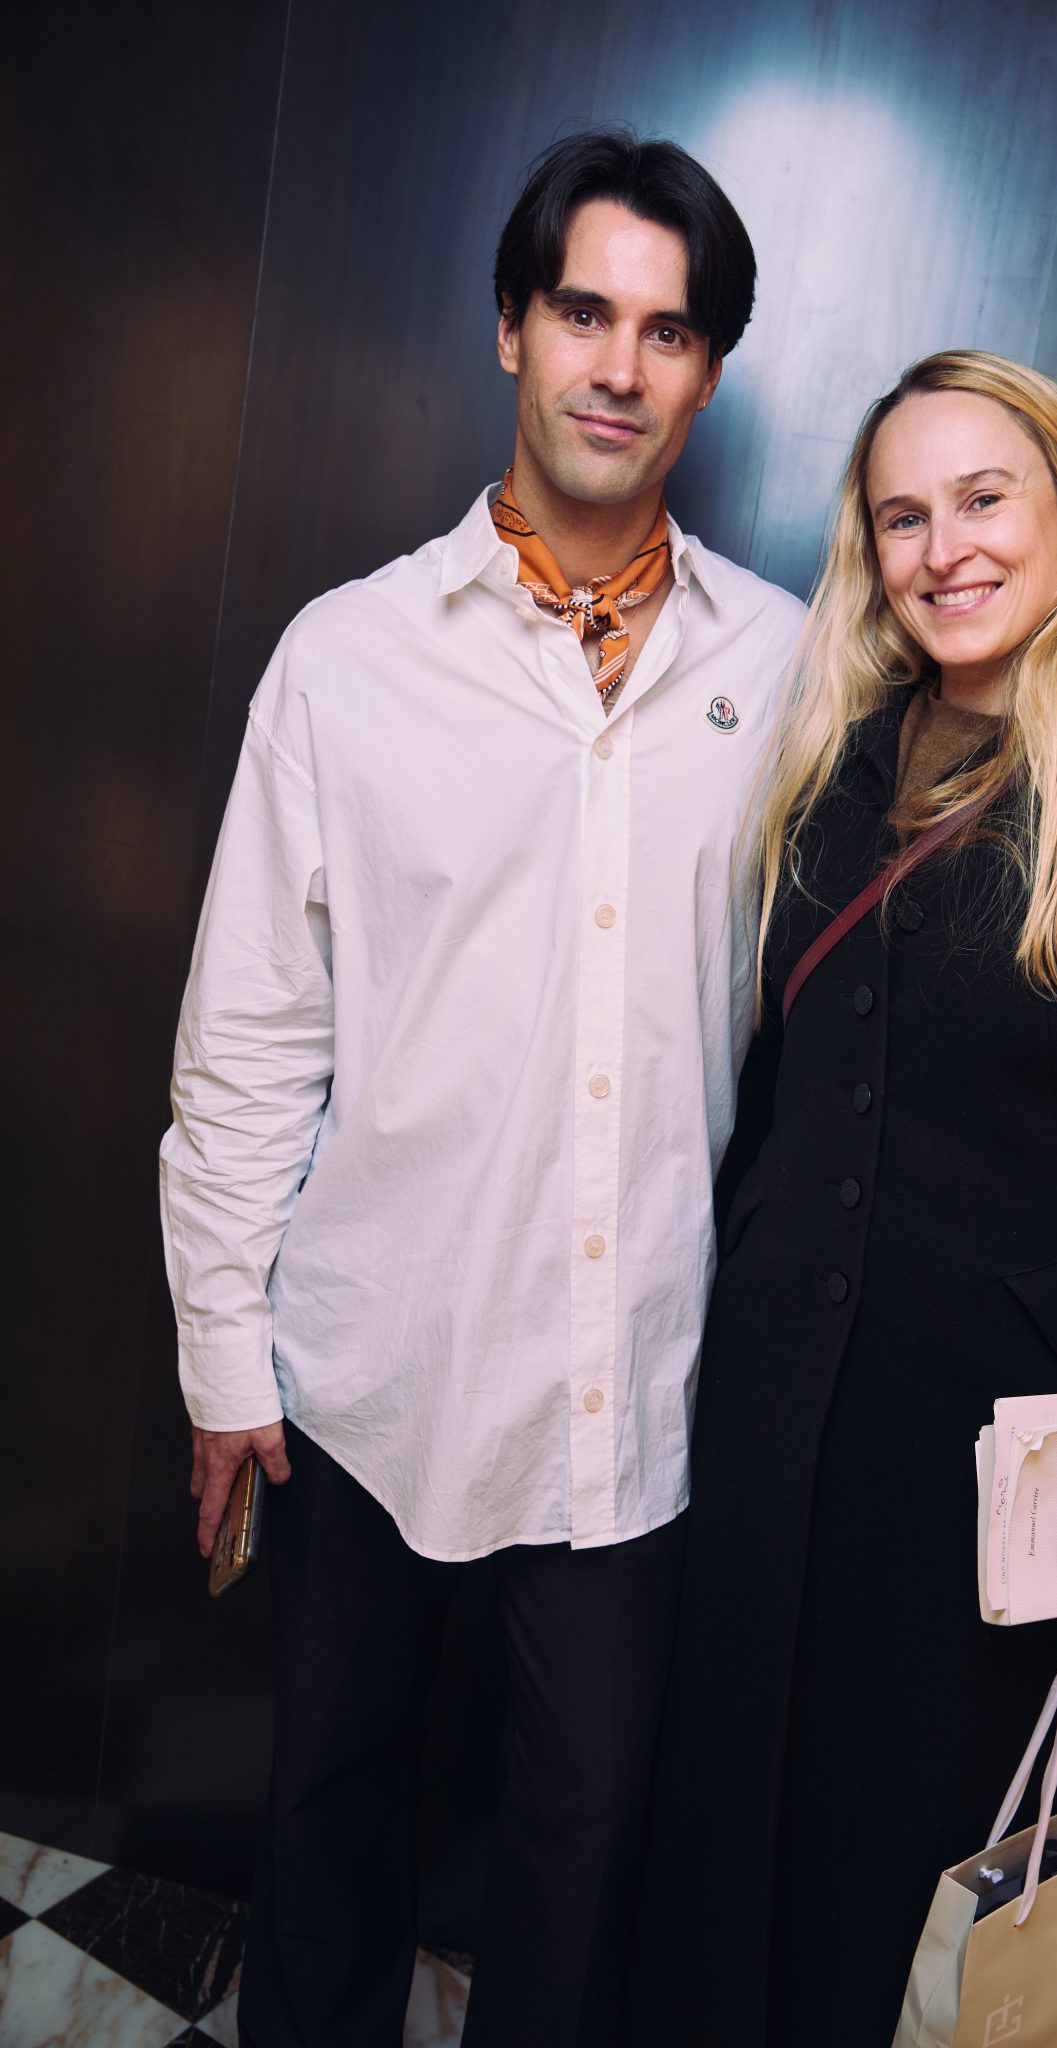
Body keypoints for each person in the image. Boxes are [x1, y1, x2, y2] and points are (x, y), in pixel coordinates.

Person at [158, 128, 804, 2048]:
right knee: (329, 1814)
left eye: (669, 331)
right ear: (509, 331)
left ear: (706, 373)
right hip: (369, 1370)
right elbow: (253, 1035)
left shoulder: (787, 670)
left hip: (636, 1396)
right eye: (585, 313)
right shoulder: (346, 661)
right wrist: (220, 1350)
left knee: (580, 1853)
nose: (620, 365)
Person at [623, 350, 1057, 2048]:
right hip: (772, 1424)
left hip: (996, 1474)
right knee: (720, 1836)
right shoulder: (822, 766)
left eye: (982, 499)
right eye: (901, 515)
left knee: (897, 1881)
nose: (944, 548)